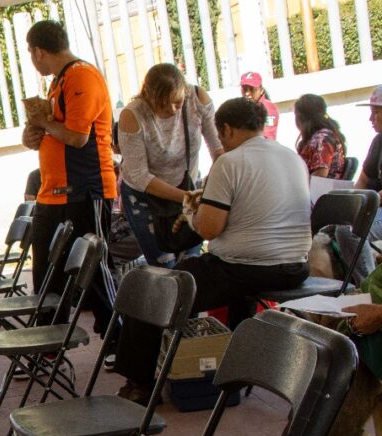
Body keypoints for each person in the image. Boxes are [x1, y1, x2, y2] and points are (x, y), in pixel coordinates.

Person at [114, 97, 311, 403]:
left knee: (153, 290)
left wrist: (192, 210)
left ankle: (138, 384)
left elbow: (209, 229)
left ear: (227, 129)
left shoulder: (229, 163)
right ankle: (229, 373)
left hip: (245, 269)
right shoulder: (292, 158)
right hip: (295, 268)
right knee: (216, 282)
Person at [21, 19, 117, 334]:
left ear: (38, 51)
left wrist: (45, 125)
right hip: (53, 192)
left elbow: (77, 137)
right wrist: (32, 133)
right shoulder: (57, 82)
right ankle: (49, 338)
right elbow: (52, 129)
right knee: (47, 269)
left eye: (31, 54)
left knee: (94, 268)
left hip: (85, 189)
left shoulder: (82, 77)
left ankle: (116, 337)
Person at [118, 63, 222, 268]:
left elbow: (218, 149)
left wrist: (214, 188)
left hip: (187, 187)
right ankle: (169, 299)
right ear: (148, 97)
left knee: (190, 265)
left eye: (177, 102)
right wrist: (185, 198)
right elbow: (140, 176)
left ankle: (189, 300)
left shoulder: (197, 98)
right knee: (165, 267)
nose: (172, 110)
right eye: (163, 104)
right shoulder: (132, 115)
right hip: (144, 197)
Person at [294, 93, 347, 178]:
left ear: (300, 116)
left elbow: (321, 174)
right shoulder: (318, 138)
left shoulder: (322, 139)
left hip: (320, 190)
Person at [353, 84, 382, 240]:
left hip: (376, 209)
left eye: (375, 112)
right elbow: (363, 179)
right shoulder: (378, 141)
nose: (371, 118)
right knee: (333, 229)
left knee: (353, 233)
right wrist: (352, 201)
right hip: (375, 209)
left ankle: (364, 266)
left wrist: (365, 207)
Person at [240, 71, 279, 141]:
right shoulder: (239, 107)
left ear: (261, 90)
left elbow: (267, 136)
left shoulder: (269, 108)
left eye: (252, 89)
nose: (247, 93)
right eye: (245, 89)